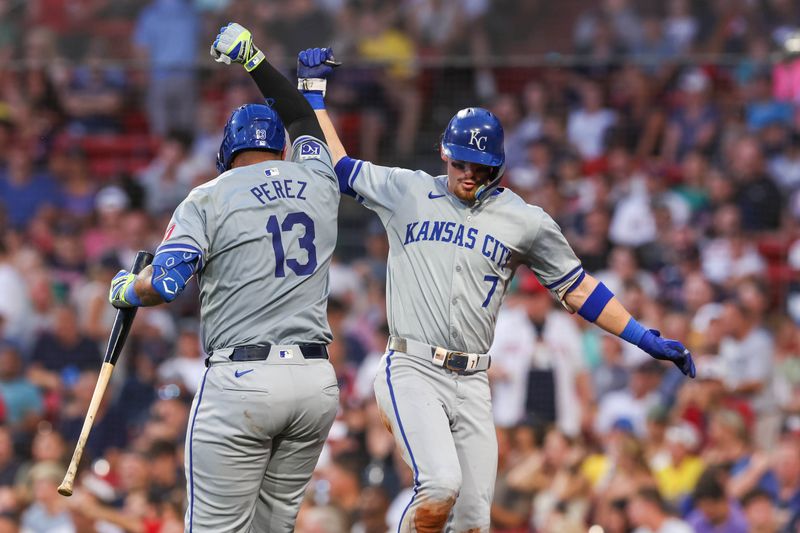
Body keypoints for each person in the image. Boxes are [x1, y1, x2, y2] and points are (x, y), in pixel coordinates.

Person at [212, 24, 696, 532]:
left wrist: (642, 336)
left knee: (471, 521)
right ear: (445, 153)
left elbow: (577, 287)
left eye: (482, 168)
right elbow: (338, 165)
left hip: (474, 381)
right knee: (439, 484)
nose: (470, 174)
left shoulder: (524, 219)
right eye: (463, 163)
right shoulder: (408, 191)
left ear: (498, 168)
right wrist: (315, 100)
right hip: (414, 367)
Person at [108, 31, 342, 531]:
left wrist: (127, 288)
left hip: (243, 381)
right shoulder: (319, 180)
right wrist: (254, 58)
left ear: (226, 150)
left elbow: (166, 283)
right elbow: (302, 116)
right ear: (281, 149)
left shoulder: (208, 196)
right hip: (315, 385)